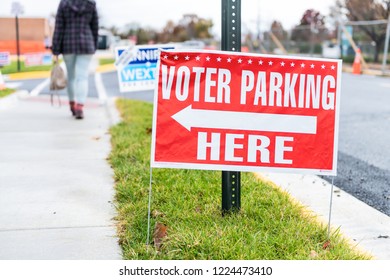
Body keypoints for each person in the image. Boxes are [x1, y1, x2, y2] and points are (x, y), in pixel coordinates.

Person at [51, 0, 99, 119]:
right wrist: (94, 45)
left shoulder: (64, 3)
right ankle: (80, 107)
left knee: (71, 77)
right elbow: (95, 27)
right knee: (82, 77)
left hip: (68, 44)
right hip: (86, 44)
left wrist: (55, 49)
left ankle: (72, 104)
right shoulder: (90, 3)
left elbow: (59, 28)